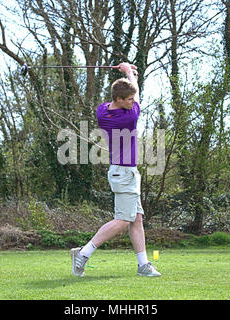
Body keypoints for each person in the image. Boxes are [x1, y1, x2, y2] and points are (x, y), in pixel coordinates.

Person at [71, 62, 161, 277]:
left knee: (136, 219)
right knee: (123, 221)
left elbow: (130, 92)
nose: (132, 101)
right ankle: (83, 254)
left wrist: (127, 78)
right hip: (124, 173)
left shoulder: (102, 110)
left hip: (125, 172)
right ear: (120, 100)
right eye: (128, 99)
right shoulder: (129, 116)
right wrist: (129, 72)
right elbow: (136, 93)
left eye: (131, 99)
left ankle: (143, 265)